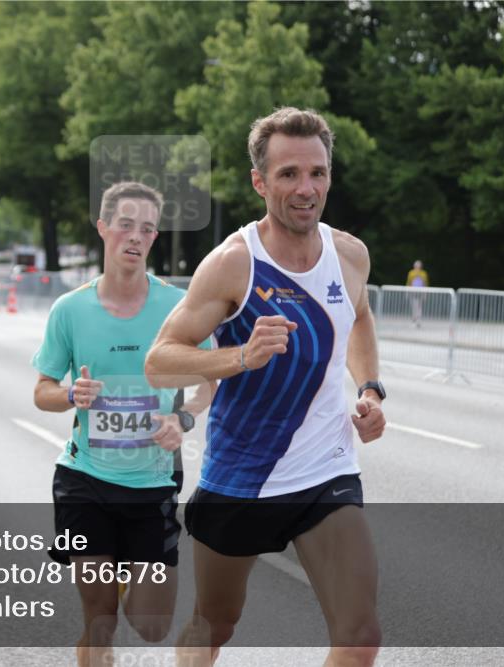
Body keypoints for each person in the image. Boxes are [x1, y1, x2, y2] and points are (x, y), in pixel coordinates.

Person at [144, 107, 386, 667]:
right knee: (215, 624)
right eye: (289, 175)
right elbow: (160, 362)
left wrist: (370, 389)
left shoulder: (350, 255)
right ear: (260, 181)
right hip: (243, 481)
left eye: (318, 172)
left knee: (361, 637)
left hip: (327, 473)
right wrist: (239, 356)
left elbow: (361, 319)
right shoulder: (233, 264)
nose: (307, 189)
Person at [32, 181, 214, 667]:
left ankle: (128, 565)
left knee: (153, 627)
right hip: (84, 480)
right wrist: (71, 393)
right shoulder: (69, 310)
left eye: (147, 228)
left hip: (152, 482)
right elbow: (42, 391)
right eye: (126, 224)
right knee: (100, 620)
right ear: (103, 228)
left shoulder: (177, 307)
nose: (136, 236)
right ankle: (104, 573)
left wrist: (183, 417)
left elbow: (209, 382)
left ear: (154, 238)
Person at [406, 260, 429, 327]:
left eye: (418, 265)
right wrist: (407, 291)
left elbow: (425, 283)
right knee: (414, 306)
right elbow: (409, 282)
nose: (417, 266)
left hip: (421, 292)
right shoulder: (411, 273)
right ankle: (415, 318)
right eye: (416, 265)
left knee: (419, 307)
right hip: (413, 292)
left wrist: (425, 292)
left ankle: (418, 319)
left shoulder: (423, 273)